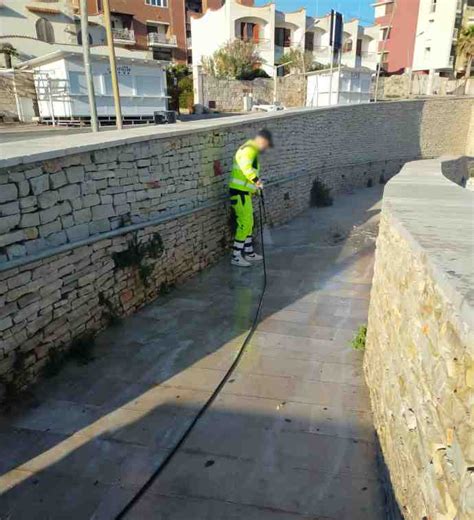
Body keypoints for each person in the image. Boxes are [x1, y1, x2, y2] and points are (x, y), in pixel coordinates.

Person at [229, 128, 273, 267]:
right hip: (239, 192)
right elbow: (246, 169)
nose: (266, 148)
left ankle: (249, 252)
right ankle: (236, 256)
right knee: (245, 223)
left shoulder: (251, 150)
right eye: (266, 145)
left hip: (244, 192)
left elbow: (249, 173)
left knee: (249, 222)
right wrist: (257, 182)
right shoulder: (249, 150)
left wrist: (255, 189)